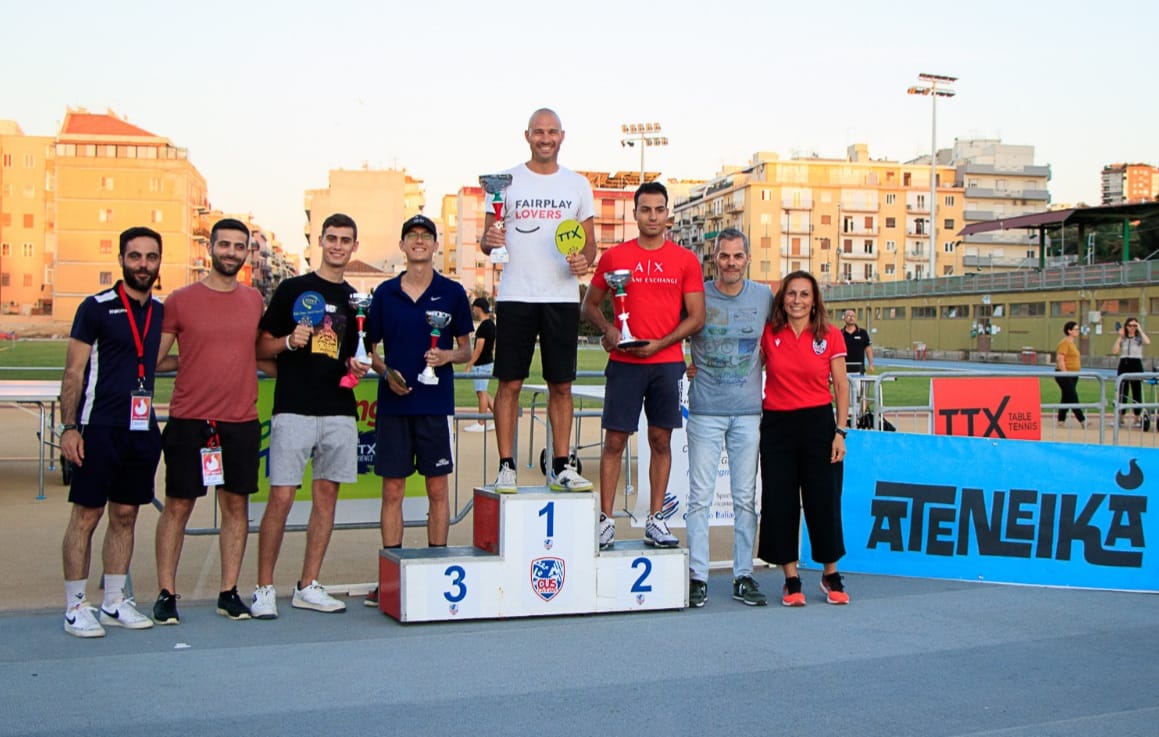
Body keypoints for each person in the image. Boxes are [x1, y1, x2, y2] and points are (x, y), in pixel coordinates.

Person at [250, 213, 368, 618]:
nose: (338, 245)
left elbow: (351, 356)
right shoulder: (292, 289)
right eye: (331, 238)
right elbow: (260, 349)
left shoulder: (355, 300)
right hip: (293, 411)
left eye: (345, 240)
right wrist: (287, 341)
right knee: (281, 498)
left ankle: (308, 584)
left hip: (339, 411)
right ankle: (264, 587)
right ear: (320, 241)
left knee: (326, 499)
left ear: (355, 246)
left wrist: (356, 369)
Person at [152, 218, 265, 624]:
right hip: (189, 419)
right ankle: (166, 592)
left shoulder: (254, 300)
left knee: (236, 505)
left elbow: (263, 354)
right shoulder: (180, 300)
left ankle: (228, 591)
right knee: (178, 506)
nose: (231, 252)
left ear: (246, 252)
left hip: (239, 420)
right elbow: (156, 358)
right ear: (211, 248)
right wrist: (191, 361)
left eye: (239, 246)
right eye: (224, 245)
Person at [581, 181, 705, 550]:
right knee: (615, 441)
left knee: (660, 440)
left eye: (659, 209)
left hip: (666, 363)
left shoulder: (685, 260)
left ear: (668, 214)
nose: (653, 216)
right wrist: (608, 329)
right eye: (645, 209)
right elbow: (588, 304)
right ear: (634, 214)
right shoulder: (615, 257)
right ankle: (606, 520)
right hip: (624, 362)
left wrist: (661, 344)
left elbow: (696, 317)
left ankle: (655, 519)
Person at [481, 108, 598, 492]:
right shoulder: (505, 182)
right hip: (516, 295)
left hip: (561, 298)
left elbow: (590, 246)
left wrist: (584, 260)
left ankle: (562, 464)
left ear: (562, 136)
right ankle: (506, 466)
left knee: (560, 385)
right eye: (538, 132)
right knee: (509, 383)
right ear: (526, 135)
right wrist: (490, 241)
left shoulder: (577, 185)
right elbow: (487, 239)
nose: (545, 138)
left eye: (551, 132)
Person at [58, 226, 165, 637]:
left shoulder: (160, 311)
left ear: (159, 262)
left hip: (140, 428)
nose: (143, 264)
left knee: (126, 514)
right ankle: (75, 606)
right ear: (122, 259)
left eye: (150, 257)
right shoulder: (96, 307)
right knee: (86, 515)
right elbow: (73, 371)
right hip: (97, 425)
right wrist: (70, 428)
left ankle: (115, 601)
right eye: (135, 256)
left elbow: (157, 361)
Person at [364, 215, 472, 607]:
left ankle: (438, 568)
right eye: (413, 236)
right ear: (403, 244)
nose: (420, 242)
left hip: (433, 403)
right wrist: (384, 371)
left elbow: (467, 349)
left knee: (437, 488)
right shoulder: (384, 293)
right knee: (392, 490)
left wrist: (445, 356)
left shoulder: (453, 292)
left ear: (435, 245)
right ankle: (390, 575)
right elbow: (369, 349)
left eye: (426, 237)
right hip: (393, 403)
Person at [685, 229, 772, 607]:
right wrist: (682, 364)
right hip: (705, 410)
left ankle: (743, 575)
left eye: (738, 256)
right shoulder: (698, 294)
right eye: (724, 256)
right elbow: (672, 333)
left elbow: (776, 342)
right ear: (714, 258)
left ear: (747, 258)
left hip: (748, 412)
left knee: (745, 498)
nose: (731, 263)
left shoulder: (764, 296)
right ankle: (697, 576)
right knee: (700, 498)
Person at [758, 270, 850, 607]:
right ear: (783, 298)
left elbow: (841, 387)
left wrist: (840, 432)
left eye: (804, 295)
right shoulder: (769, 333)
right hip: (778, 425)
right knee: (780, 501)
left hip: (818, 425)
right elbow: (742, 365)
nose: (797, 300)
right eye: (791, 294)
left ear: (815, 301)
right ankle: (791, 579)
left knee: (823, 500)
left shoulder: (830, 336)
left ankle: (830, 574)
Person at [464, 297, 496, 432]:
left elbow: (479, 348)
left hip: (482, 363)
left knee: (481, 393)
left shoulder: (484, 326)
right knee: (483, 392)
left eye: (474, 307)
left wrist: (469, 364)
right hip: (487, 361)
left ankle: (481, 423)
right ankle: (498, 417)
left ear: (478, 308)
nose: (473, 310)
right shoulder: (491, 324)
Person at [1113, 318, 1150, 426]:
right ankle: (1121, 417)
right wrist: (1119, 336)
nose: (1132, 328)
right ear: (1126, 326)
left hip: (1136, 363)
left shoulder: (1139, 337)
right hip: (1124, 362)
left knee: (1136, 391)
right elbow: (1115, 350)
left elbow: (1147, 341)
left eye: (1134, 325)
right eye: (1130, 325)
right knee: (1123, 391)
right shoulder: (1123, 338)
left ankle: (1137, 417)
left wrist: (1140, 329)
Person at [1054, 321, 1085, 428]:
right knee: (1072, 396)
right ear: (1069, 331)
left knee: (1066, 396)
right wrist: (1065, 373)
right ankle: (1082, 420)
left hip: (1073, 374)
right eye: (1076, 329)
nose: (1078, 331)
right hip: (1065, 374)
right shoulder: (1065, 343)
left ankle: (1061, 419)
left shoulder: (1072, 343)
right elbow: (1060, 358)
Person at [840, 309, 873, 374]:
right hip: (843, 370)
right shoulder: (840, 333)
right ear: (844, 318)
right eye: (848, 316)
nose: (851, 317)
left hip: (859, 370)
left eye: (853, 316)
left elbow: (868, 349)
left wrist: (871, 364)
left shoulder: (862, 333)